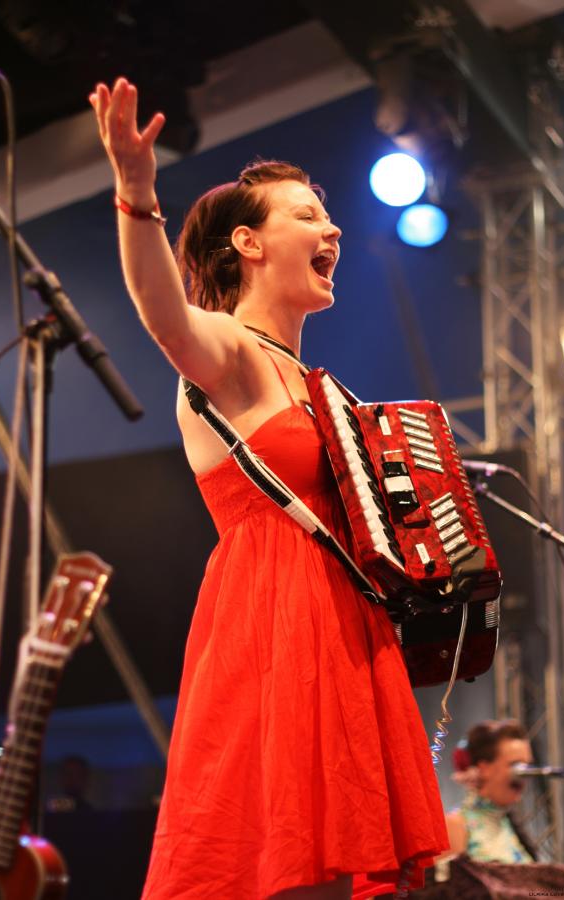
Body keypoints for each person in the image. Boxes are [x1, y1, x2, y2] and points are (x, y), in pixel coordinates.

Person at [89, 76, 448, 900]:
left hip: (346, 625)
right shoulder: (228, 350)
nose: (333, 228)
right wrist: (136, 195)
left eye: (327, 216)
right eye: (306, 216)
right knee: (282, 868)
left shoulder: (322, 385)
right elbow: (162, 313)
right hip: (272, 626)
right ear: (249, 244)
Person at [444, 719, 537, 864]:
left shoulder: (509, 825)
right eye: (516, 766)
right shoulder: (454, 826)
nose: (524, 775)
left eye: (528, 766)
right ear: (484, 768)